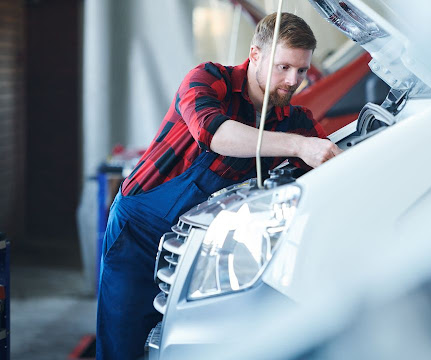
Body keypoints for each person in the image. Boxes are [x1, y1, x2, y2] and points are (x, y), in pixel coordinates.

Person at [96, 12, 342, 360]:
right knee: (124, 344)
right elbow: (215, 133)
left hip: (202, 245)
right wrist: (297, 146)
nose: (293, 81)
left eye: (301, 70)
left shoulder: (294, 120)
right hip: (138, 232)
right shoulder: (209, 80)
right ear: (255, 54)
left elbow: (334, 171)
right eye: (283, 67)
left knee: (178, 346)